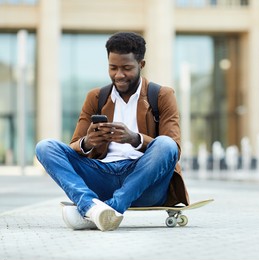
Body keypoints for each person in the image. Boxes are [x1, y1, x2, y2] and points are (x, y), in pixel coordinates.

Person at [35, 32, 189, 231]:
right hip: (102, 176)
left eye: (127, 68)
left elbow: (173, 149)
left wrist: (135, 139)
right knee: (45, 147)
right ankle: (91, 206)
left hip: (146, 182)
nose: (119, 75)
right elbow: (74, 146)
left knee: (165, 144)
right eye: (113, 68)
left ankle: (107, 209)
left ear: (141, 65)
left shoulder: (161, 95)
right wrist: (88, 142)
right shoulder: (96, 97)